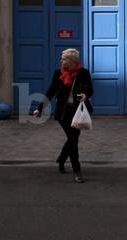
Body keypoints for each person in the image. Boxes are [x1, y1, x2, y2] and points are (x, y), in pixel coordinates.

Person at [31, 48, 93, 183]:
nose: (61, 60)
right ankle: (77, 170)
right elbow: (51, 91)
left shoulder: (83, 73)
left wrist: (85, 95)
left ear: (72, 61)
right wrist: (40, 108)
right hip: (63, 112)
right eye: (62, 58)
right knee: (72, 139)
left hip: (78, 111)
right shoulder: (58, 73)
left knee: (73, 139)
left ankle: (62, 159)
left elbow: (90, 89)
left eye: (64, 59)